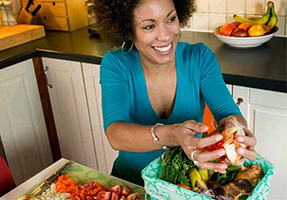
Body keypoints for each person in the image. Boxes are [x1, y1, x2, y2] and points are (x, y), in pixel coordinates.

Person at [92, 0, 257, 186]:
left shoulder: (199, 57)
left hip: (186, 186)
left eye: (170, 19)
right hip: (130, 183)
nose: (165, 35)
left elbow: (229, 112)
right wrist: (173, 134)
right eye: (149, 26)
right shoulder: (116, 64)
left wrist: (237, 131)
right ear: (128, 30)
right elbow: (115, 134)